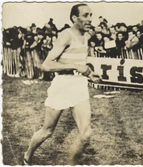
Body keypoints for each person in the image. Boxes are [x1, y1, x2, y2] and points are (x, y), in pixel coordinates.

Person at [23, 3, 101, 165]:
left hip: (79, 85)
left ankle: (70, 163)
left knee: (86, 133)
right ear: (74, 18)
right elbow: (47, 65)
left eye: (91, 15)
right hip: (62, 86)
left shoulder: (86, 36)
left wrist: (89, 74)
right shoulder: (66, 35)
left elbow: (79, 62)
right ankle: (27, 154)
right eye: (85, 15)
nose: (90, 19)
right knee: (47, 131)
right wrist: (75, 67)